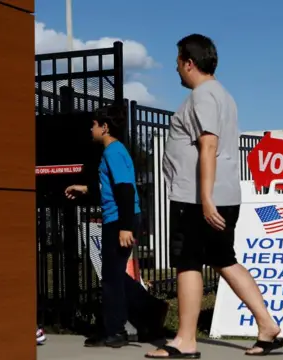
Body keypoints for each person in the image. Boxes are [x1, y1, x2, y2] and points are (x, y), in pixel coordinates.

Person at [145, 34, 283, 359]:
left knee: (188, 262)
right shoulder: (223, 95)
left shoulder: (202, 96)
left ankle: (185, 341)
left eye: (178, 62)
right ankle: (266, 324)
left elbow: (208, 145)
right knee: (224, 259)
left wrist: (205, 198)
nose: (176, 68)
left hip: (197, 199)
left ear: (189, 63)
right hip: (218, 195)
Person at [65, 105, 168, 348]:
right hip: (119, 217)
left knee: (111, 277)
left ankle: (115, 331)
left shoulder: (113, 151)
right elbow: (113, 187)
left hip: (120, 220)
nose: (91, 129)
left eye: (94, 125)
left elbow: (125, 188)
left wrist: (125, 227)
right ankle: (151, 310)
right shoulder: (115, 151)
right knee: (114, 274)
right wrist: (86, 189)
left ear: (105, 127)